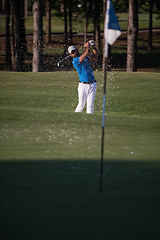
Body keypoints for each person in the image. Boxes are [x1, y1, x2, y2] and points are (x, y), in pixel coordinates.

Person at [68, 41, 98, 114]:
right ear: (71, 55)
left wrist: (93, 46)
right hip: (83, 86)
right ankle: (75, 120)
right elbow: (86, 53)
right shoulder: (75, 61)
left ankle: (89, 123)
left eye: (75, 50)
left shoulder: (85, 58)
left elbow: (95, 56)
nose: (74, 52)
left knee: (90, 106)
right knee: (81, 105)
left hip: (92, 84)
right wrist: (87, 46)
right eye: (72, 52)